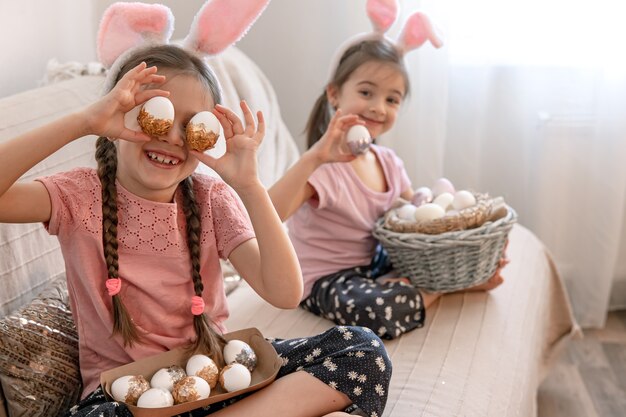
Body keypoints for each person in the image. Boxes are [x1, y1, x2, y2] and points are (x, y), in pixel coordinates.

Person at [0, 34, 392, 417]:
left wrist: (249, 186)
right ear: (115, 120)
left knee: (361, 350)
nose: (173, 137)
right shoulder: (79, 196)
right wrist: (83, 121)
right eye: (155, 117)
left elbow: (286, 293)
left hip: (220, 378)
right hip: (126, 399)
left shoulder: (211, 198)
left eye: (193, 126)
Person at [269, 10, 508, 340]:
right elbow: (268, 216)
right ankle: (436, 291)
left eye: (392, 99)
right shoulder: (323, 169)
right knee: (381, 312)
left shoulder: (389, 161)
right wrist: (314, 157)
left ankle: (445, 280)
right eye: (366, 93)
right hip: (325, 278)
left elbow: (418, 217)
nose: (379, 108)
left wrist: (448, 218)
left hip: (375, 263)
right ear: (335, 94)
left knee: (429, 261)